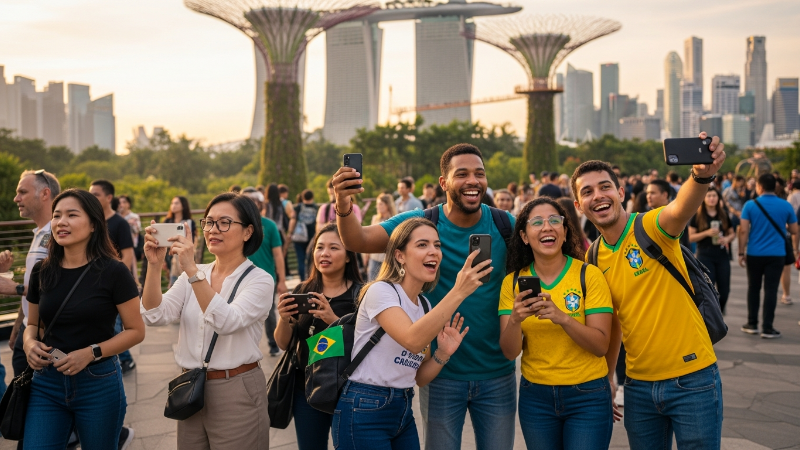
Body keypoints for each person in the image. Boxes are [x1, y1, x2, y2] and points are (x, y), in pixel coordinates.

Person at [332, 143, 517, 450]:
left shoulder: (505, 224)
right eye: (462, 174)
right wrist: (342, 201)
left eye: (479, 174)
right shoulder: (421, 223)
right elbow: (356, 239)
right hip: (442, 377)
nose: (473, 181)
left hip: (497, 374)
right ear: (443, 183)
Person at [571, 131, 726, 450]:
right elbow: (610, 322)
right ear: (578, 204)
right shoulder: (594, 257)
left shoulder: (651, 226)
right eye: (587, 192)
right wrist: (609, 377)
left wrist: (700, 176)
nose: (598, 196)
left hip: (692, 378)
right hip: (639, 388)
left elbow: (680, 208)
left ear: (621, 191)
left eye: (605, 187)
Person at [333, 218, 485, 450]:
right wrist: (459, 291)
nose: (433, 251)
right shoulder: (381, 291)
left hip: (402, 408)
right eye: (422, 245)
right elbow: (413, 340)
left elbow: (417, 377)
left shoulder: (424, 306)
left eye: (437, 245)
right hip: (364, 407)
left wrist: (443, 354)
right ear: (399, 255)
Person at [141, 192, 273, 449]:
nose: (213, 229)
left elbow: (227, 322)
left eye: (224, 222)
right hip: (191, 388)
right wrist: (154, 266)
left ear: (248, 232)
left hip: (237, 388)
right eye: (209, 222)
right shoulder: (196, 274)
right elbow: (154, 315)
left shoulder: (259, 280)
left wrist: (190, 268)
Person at [23, 189, 145, 449]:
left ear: (93, 225)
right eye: (56, 216)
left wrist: (91, 353)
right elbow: (33, 325)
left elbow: (136, 330)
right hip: (47, 382)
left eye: (71, 215)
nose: (61, 222)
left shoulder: (114, 271)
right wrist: (29, 344)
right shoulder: (41, 271)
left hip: (98, 384)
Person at [500, 198, 617, 449]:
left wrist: (563, 318)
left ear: (565, 232)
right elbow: (510, 352)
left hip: (588, 396)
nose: (547, 227)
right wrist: (515, 320)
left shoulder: (589, 275)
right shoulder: (512, 282)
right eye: (537, 223)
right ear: (523, 236)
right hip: (536, 398)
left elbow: (601, 346)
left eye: (555, 221)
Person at [274, 224, 364, 450]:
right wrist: (284, 318)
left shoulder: (362, 295)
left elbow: (365, 347)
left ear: (347, 257)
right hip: (306, 388)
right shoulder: (302, 291)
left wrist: (332, 319)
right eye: (319, 247)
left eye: (334, 248)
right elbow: (283, 343)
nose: (324, 254)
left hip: (348, 389)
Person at [738, 173, 799, 339]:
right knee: (771, 289)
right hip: (777, 254)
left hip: (754, 253)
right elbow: (794, 230)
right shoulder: (785, 205)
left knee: (754, 288)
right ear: (776, 187)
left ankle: (752, 323)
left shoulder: (750, 205)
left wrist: (741, 252)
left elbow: (743, 230)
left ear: (759, 187)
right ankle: (767, 327)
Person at [89, 180, 139, 381]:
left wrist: (117, 282)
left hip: (112, 285)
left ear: (109, 198)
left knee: (115, 326)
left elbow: (127, 255)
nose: (92, 197)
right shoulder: (91, 221)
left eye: (97, 194)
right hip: (92, 283)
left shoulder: (120, 223)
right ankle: (123, 358)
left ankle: (119, 362)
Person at [242, 187, 287, 356]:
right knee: (242, 313)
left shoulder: (269, 226)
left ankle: (273, 344)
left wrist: (282, 280)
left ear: (260, 203)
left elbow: (278, 254)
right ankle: (244, 347)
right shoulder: (236, 226)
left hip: (266, 277)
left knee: (269, 314)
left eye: (252, 201)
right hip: (241, 277)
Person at [689, 188, 735, 313]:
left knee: (724, 289)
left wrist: (726, 239)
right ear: (704, 198)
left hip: (721, 254)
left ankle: (720, 309)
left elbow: (732, 233)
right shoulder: (698, 215)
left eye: (714, 196)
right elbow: (691, 237)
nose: (711, 198)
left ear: (718, 198)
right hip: (704, 254)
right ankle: (711, 314)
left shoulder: (723, 214)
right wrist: (706, 233)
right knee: (708, 288)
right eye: (708, 195)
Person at [646, 179, 691, 249]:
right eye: (647, 193)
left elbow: (684, 245)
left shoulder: (676, 214)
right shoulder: (644, 215)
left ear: (664, 195)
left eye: (652, 193)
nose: (648, 196)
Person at [164, 196, 197, 287]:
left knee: (186, 281)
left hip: (184, 255)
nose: (173, 205)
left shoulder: (189, 222)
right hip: (169, 255)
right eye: (172, 203)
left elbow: (192, 240)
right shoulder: (167, 221)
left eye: (176, 203)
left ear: (183, 205)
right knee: (174, 281)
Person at [364, 194, 398, 281]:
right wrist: (366, 257)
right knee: (370, 283)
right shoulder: (375, 218)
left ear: (387, 205)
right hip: (374, 257)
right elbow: (369, 239)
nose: (378, 206)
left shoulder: (394, 220)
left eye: (380, 204)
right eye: (377, 204)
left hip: (387, 259)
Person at [289, 189, 319, 279]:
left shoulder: (297, 207)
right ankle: (311, 278)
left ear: (302, 197)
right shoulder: (315, 208)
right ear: (312, 197)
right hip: (312, 237)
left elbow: (293, 220)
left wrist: (290, 233)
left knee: (300, 259)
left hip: (299, 237)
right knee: (311, 260)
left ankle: (302, 280)